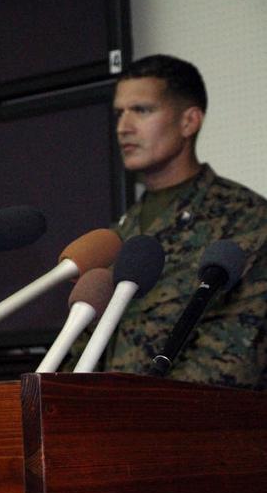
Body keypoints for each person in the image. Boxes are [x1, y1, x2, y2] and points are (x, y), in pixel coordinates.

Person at [69, 54, 267, 389]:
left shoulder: (246, 219)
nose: (123, 127)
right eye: (120, 113)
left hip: (190, 433)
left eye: (142, 110)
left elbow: (233, 362)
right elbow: (80, 348)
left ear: (189, 121)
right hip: (102, 431)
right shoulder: (120, 232)